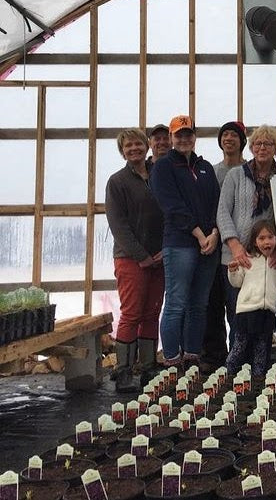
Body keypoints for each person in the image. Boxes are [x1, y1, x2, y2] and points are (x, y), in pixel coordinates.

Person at [150, 115, 220, 369]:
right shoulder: (163, 167)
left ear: (194, 137)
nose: (183, 139)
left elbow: (216, 203)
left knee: (198, 304)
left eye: (188, 134)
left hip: (208, 245)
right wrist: (200, 234)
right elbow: (172, 206)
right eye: (178, 135)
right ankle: (171, 359)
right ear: (171, 138)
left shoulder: (205, 168)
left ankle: (191, 355)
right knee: (177, 302)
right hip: (180, 244)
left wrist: (214, 233)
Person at [105, 128, 164, 392]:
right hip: (131, 259)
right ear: (122, 151)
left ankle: (149, 367)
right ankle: (124, 371)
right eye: (128, 146)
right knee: (131, 313)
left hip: (159, 257)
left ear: (147, 146)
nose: (134, 149)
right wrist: (141, 256)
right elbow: (118, 225)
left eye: (138, 144)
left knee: (152, 311)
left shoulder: (158, 175)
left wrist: (163, 251)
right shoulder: (117, 182)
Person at [217, 124, 276, 351]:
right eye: (257, 143)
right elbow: (222, 212)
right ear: (251, 147)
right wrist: (235, 246)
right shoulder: (236, 175)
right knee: (237, 314)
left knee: (262, 317)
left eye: (268, 144)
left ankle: (260, 366)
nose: (262, 147)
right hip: (236, 258)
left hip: (265, 259)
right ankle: (237, 366)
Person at [226, 220, 276, 376]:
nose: (266, 241)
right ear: (254, 241)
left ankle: (258, 379)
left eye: (270, 237)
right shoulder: (248, 260)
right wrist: (232, 271)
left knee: (262, 348)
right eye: (261, 238)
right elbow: (236, 281)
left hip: (266, 313)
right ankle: (228, 373)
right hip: (246, 312)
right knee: (239, 346)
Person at [201, 121, 247, 372]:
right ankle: (214, 354)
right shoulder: (212, 171)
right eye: (225, 135)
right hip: (210, 245)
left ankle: (237, 353)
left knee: (236, 303)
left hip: (235, 247)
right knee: (212, 302)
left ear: (242, 141)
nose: (228, 139)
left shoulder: (247, 170)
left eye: (234, 135)